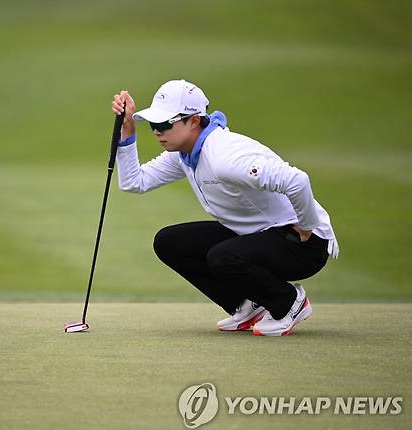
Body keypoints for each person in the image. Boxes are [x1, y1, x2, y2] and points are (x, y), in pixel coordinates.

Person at [110, 79, 339, 336]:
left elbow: (296, 181)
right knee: (169, 242)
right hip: (257, 237)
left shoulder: (225, 157)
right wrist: (128, 131)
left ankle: (288, 302)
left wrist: (307, 225)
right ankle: (248, 306)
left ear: (194, 121)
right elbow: (134, 182)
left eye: (165, 124)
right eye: (153, 125)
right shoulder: (184, 154)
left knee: (223, 257)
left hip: (305, 244)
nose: (157, 131)